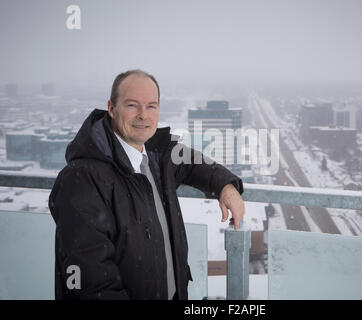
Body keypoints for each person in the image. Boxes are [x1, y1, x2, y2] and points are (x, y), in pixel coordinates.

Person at [49, 69, 245, 300]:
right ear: (112, 108)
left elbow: (194, 163)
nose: (144, 115)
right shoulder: (81, 179)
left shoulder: (156, 154)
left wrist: (227, 187)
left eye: (151, 106)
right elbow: (91, 282)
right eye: (132, 105)